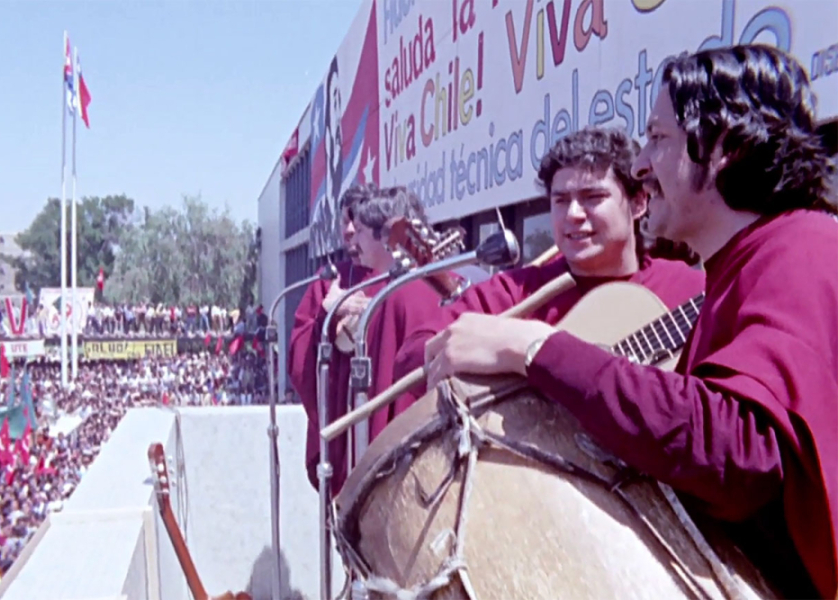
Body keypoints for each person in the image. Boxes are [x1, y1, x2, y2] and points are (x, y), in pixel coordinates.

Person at [421, 45, 837, 598]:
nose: (642, 164)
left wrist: (536, 348)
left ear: (727, 150)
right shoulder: (753, 259)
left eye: (658, 139)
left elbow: (739, 455)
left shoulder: (801, 249)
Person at [393, 126, 706, 403]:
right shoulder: (518, 292)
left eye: (592, 197)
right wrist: (511, 358)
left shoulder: (689, 290)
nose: (572, 214)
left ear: (639, 203)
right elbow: (413, 358)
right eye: (560, 200)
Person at [289, 184, 444, 494]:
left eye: (357, 225)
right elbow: (301, 358)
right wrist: (327, 318)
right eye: (345, 222)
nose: (349, 232)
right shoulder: (329, 282)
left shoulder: (403, 288)